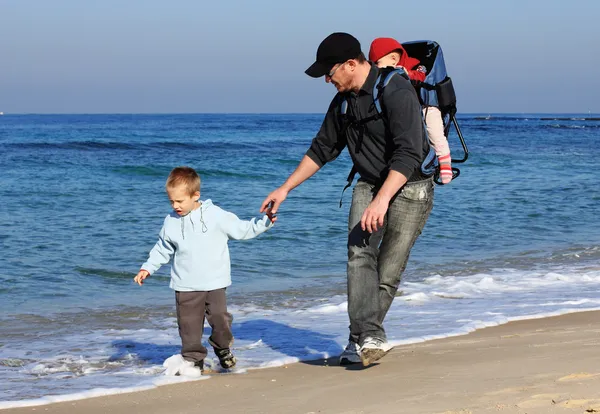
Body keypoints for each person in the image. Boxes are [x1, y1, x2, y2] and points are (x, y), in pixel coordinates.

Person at [260, 33, 434, 366]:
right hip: (369, 183)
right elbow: (322, 149)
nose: (327, 79)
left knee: (388, 270)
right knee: (359, 254)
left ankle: (361, 339)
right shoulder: (342, 101)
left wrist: (382, 201)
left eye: (330, 71)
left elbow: (408, 153)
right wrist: (285, 188)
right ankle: (370, 336)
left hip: (411, 187)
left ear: (351, 64)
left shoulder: (396, 91)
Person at [134, 166, 275, 376]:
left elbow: (242, 229)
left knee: (220, 319)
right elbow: (162, 248)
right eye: (171, 201)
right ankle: (193, 360)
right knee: (188, 326)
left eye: (180, 201)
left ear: (195, 195)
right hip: (185, 284)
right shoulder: (170, 221)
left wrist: (265, 222)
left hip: (215, 282)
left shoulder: (216, 215)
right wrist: (148, 267)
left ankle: (222, 348)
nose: (175, 206)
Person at [369, 37, 453, 184]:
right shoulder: (383, 76)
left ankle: (445, 160)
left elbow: (421, 75)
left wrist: (407, 74)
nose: (376, 68)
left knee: (434, 131)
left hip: (426, 105)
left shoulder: (414, 65)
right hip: (405, 108)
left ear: (394, 59)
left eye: (377, 63)